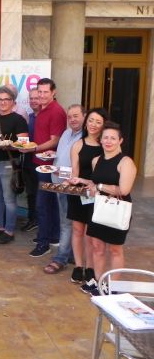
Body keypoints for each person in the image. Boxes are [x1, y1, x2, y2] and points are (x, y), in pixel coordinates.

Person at [73, 122, 137, 296]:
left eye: (113, 138)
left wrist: (100, 186)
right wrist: (82, 181)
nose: (108, 141)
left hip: (118, 210)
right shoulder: (97, 160)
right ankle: (99, 282)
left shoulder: (125, 162)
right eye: (105, 137)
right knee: (97, 247)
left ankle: (113, 285)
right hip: (99, 208)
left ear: (120, 141)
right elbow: (96, 182)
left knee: (115, 249)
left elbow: (123, 190)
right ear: (100, 140)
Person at [64, 108, 108, 284]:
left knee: (91, 234)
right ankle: (78, 266)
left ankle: (90, 268)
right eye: (91, 120)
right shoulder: (78, 145)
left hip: (97, 194)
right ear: (86, 122)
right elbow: (74, 173)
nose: (93, 125)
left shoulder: (106, 145)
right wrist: (68, 182)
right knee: (77, 230)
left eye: (98, 122)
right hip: (79, 193)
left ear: (104, 125)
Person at [42, 104, 85, 275]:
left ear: (84, 116)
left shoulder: (86, 138)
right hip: (59, 184)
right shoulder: (66, 133)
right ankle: (72, 254)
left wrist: (62, 172)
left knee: (67, 223)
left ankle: (60, 258)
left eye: (76, 116)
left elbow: (80, 168)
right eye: (70, 116)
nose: (72, 119)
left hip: (73, 187)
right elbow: (62, 157)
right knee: (68, 222)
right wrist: (52, 159)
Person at [0, 85, 29, 245]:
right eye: (0, 100)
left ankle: (9, 231)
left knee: (9, 199)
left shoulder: (19, 120)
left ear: (13, 101)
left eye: (6, 99)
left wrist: (9, 146)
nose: (3, 102)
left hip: (8, 163)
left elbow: (23, 145)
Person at [27, 78, 67, 258]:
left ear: (53, 92)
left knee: (43, 204)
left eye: (45, 92)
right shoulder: (42, 110)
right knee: (49, 203)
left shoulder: (56, 111)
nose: (42, 95)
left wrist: (34, 149)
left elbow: (55, 140)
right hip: (39, 163)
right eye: (40, 92)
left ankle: (43, 243)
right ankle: (52, 236)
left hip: (49, 166)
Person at [20, 88, 41, 232]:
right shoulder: (31, 117)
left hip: (41, 162)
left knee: (40, 194)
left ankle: (39, 220)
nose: (33, 101)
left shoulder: (44, 117)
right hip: (28, 160)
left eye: (36, 98)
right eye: (31, 98)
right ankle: (32, 219)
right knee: (30, 192)